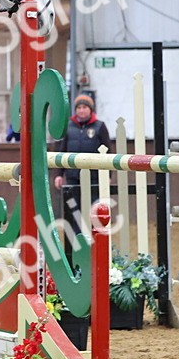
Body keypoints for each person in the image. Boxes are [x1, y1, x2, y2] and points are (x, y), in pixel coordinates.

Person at [53, 94, 111, 264]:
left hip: (94, 179)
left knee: (94, 211)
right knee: (73, 213)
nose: (81, 110)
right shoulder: (68, 127)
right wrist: (58, 174)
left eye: (84, 107)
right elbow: (61, 151)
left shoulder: (100, 127)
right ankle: (77, 245)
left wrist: (108, 175)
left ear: (90, 109)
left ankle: (95, 244)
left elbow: (108, 151)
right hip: (72, 179)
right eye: (79, 107)